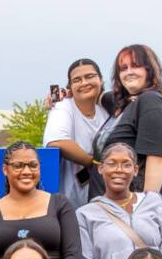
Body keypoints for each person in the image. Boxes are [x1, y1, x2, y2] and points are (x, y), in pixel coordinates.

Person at [98, 45, 162, 210]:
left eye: (135, 66)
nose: (129, 72)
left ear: (150, 70)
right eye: (123, 68)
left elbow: (157, 159)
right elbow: (99, 96)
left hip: (136, 208)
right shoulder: (127, 104)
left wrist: (145, 211)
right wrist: (67, 94)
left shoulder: (151, 102)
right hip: (115, 205)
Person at [43, 58, 112, 205]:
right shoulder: (62, 107)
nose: (84, 83)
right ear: (70, 86)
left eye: (90, 77)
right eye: (77, 80)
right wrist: (95, 164)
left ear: (100, 79)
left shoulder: (106, 111)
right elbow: (57, 141)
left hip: (104, 201)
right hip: (69, 204)